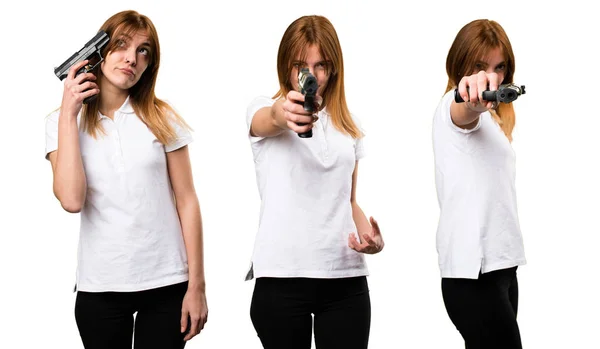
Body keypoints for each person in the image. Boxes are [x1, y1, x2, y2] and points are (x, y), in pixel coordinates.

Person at [45, 10, 207, 349]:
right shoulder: (60, 122)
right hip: (100, 285)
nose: (131, 58)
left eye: (143, 50)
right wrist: (68, 114)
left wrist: (197, 286)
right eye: (121, 45)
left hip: (167, 282)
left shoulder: (163, 118)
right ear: (98, 52)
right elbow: (71, 200)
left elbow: (187, 200)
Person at [245, 15, 384, 349]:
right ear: (286, 66)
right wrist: (285, 114)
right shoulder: (263, 108)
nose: (311, 74)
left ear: (333, 68)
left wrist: (370, 241)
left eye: (321, 65)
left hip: (345, 279)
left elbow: (348, 201)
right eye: (300, 65)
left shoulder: (349, 126)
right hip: (281, 277)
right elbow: (272, 118)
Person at [432, 19, 527, 349]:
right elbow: (463, 108)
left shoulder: (494, 121)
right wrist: (468, 93)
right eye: (479, 66)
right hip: (472, 276)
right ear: (462, 66)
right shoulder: (452, 108)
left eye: (499, 67)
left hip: (501, 268)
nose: (492, 76)